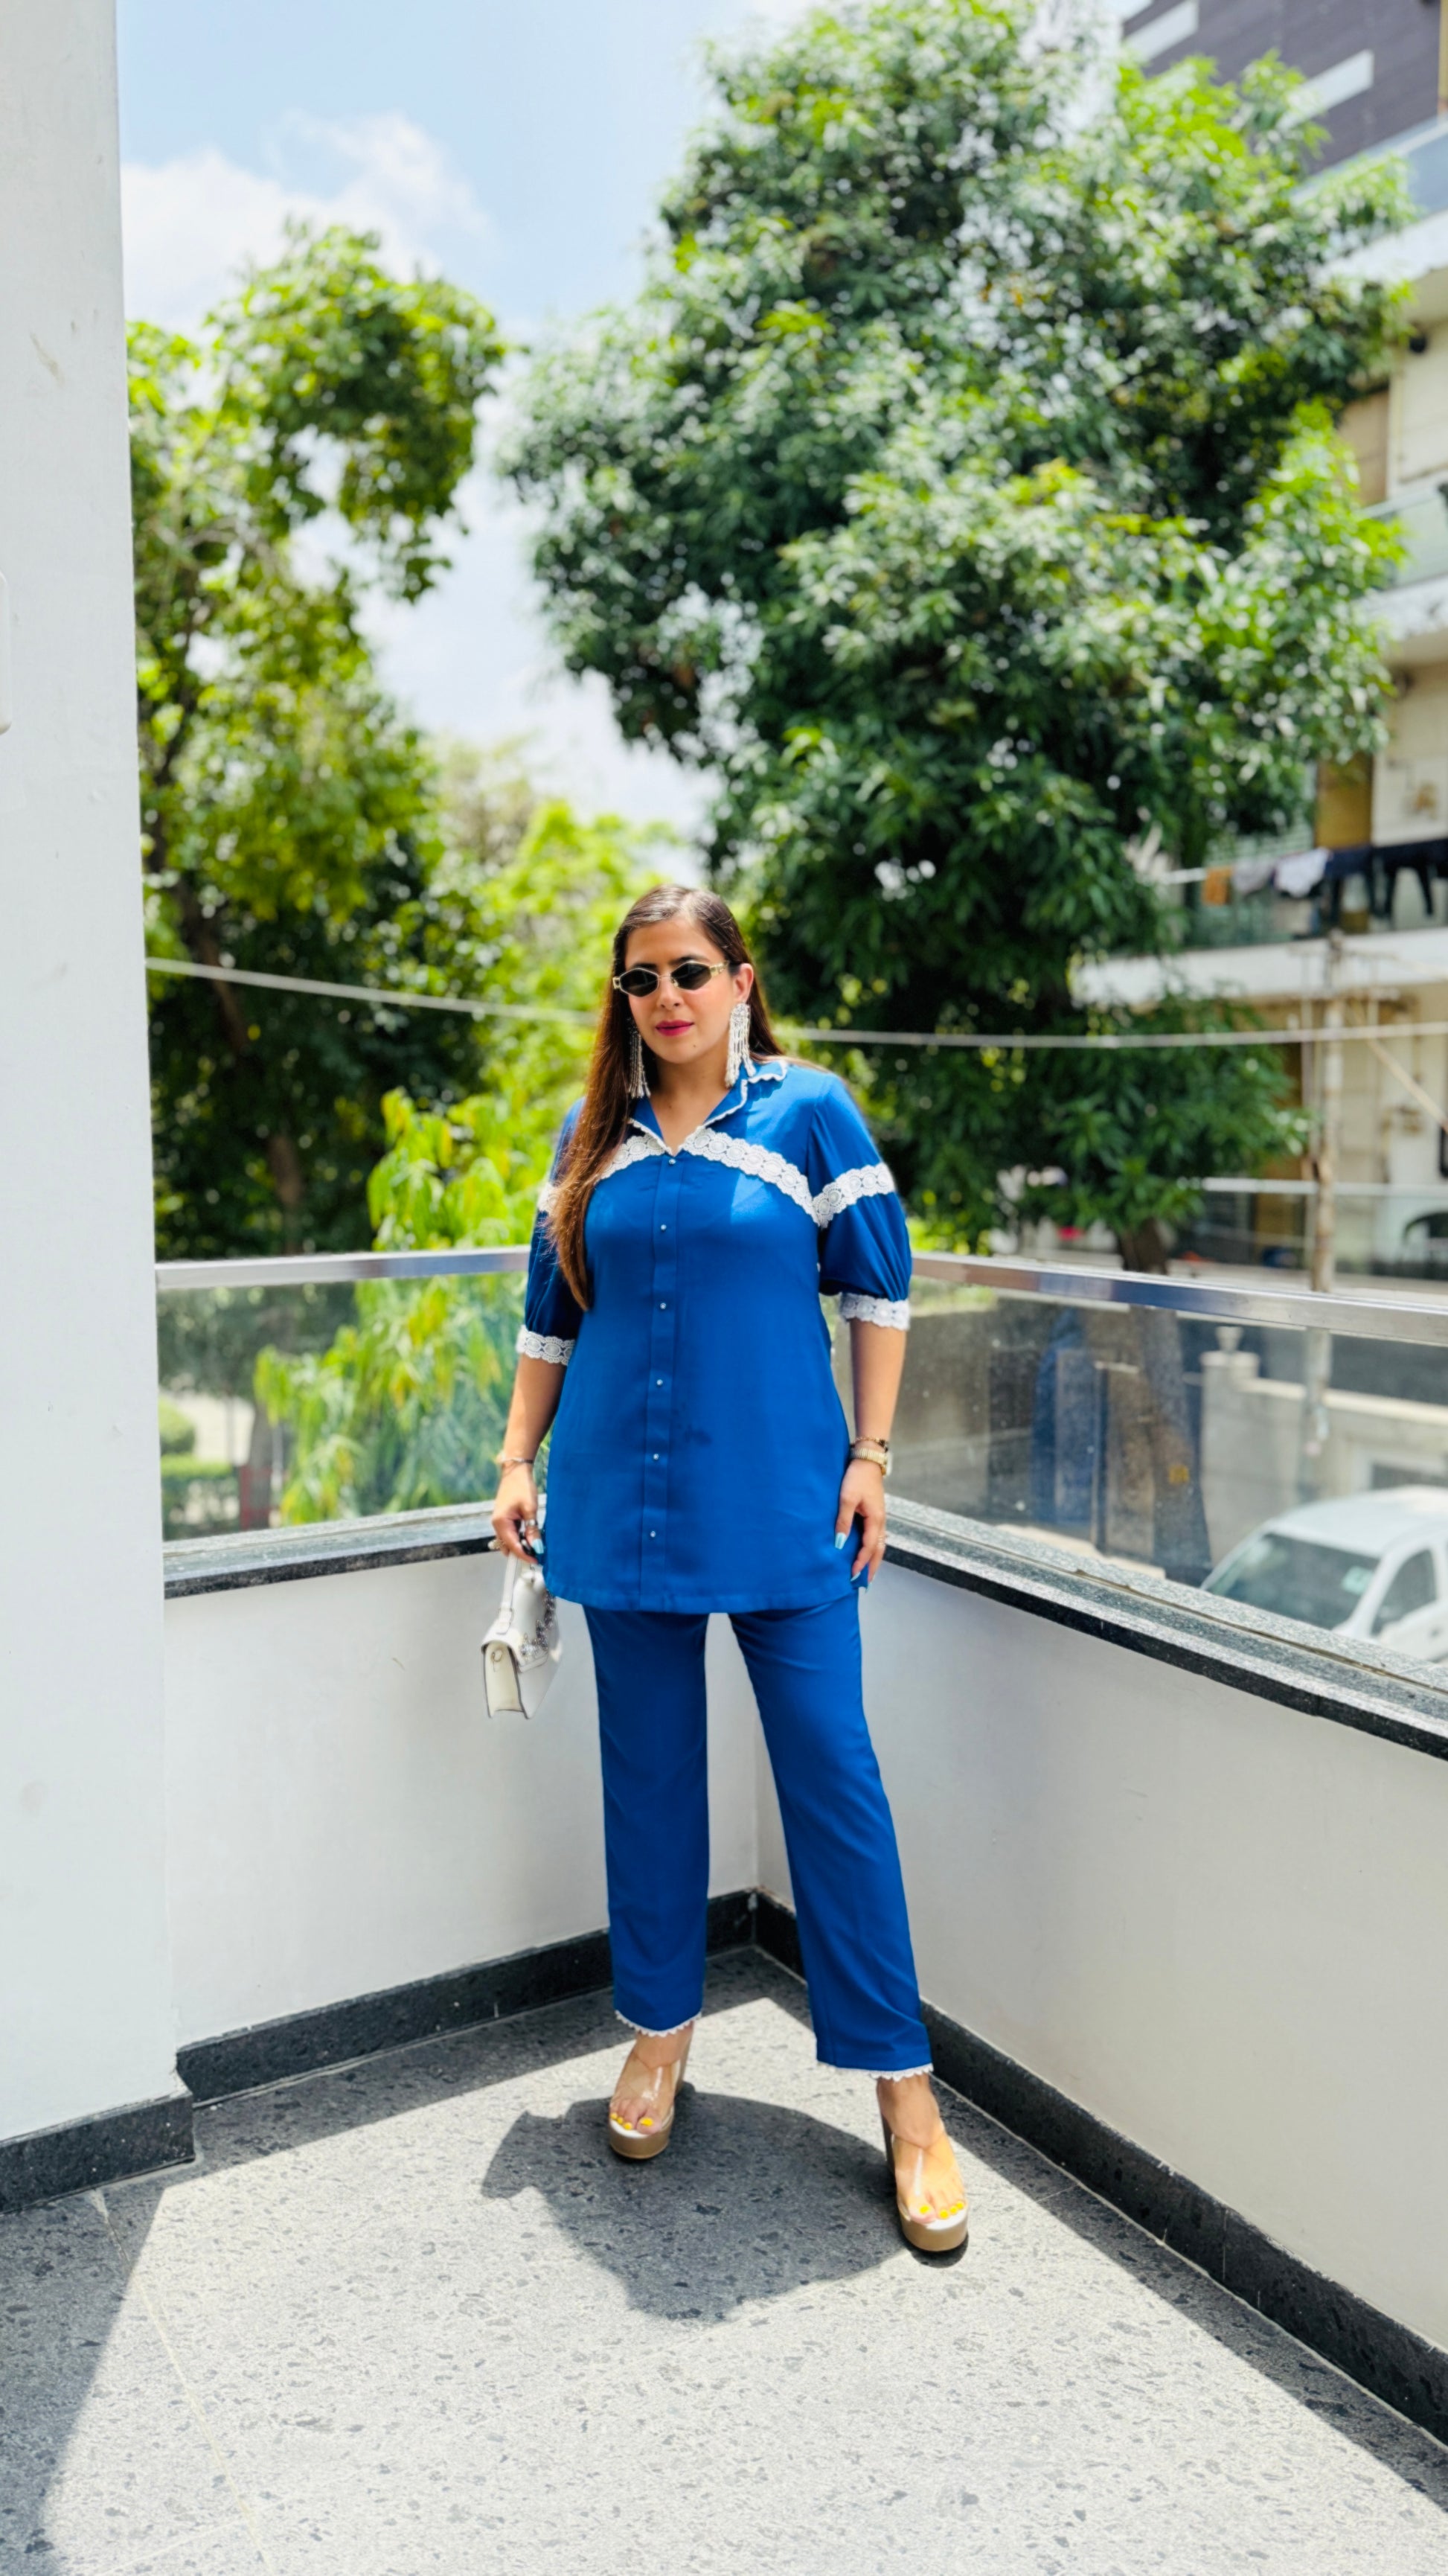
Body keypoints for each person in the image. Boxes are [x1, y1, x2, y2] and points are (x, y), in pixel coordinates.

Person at [490, 884, 968, 2253]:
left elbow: (879, 1290)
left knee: (833, 1779)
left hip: (782, 1503)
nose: (667, 998)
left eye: (690, 971)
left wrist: (870, 1452)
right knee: (645, 1778)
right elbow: (549, 1319)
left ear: (741, 980)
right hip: (616, 1503)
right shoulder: (591, 1134)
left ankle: (905, 2092)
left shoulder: (809, 1112)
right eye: (641, 979)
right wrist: (516, 1457)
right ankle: (657, 2035)